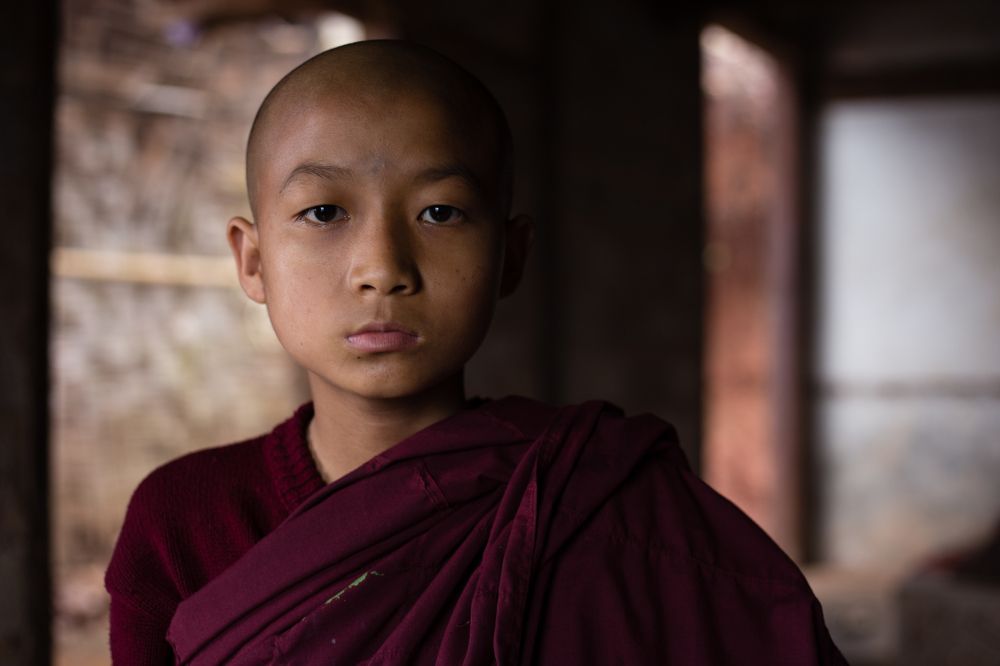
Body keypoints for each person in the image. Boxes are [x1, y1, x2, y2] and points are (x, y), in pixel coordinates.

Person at [105, 40, 847, 665]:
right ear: (253, 261)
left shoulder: (597, 503)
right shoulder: (183, 519)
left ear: (511, 255)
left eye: (441, 212)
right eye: (324, 212)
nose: (382, 266)